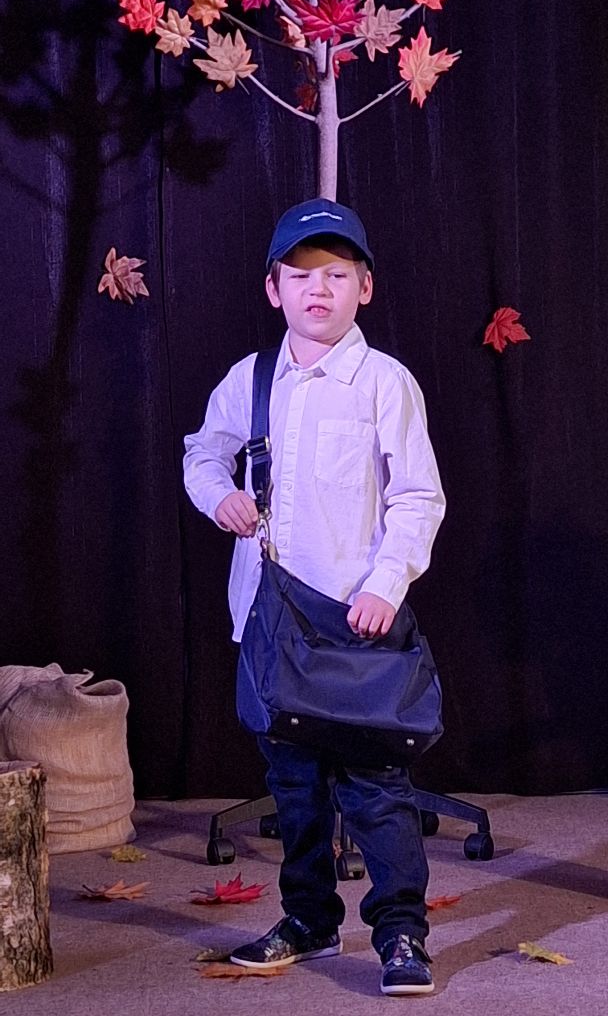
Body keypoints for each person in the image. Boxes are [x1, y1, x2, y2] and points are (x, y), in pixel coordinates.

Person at [183, 197, 446, 996]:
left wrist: (385, 584)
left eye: (335, 274)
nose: (317, 290)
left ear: (364, 287)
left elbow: (417, 497)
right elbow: (203, 455)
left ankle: (400, 932)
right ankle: (309, 919)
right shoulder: (252, 378)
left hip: (356, 620)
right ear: (274, 290)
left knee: (374, 790)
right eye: (299, 276)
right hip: (270, 621)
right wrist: (220, 497)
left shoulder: (385, 383)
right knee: (293, 786)